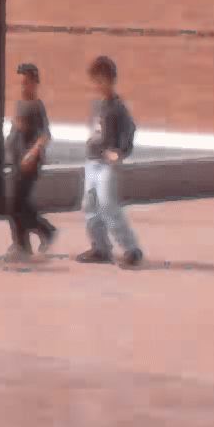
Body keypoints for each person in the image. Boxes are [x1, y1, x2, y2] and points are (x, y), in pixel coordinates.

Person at [76, 54, 143, 268]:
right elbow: (96, 130)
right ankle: (100, 247)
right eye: (95, 80)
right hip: (92, 161)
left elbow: (128, 131)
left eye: (100, 79)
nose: (97, 84)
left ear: (110, 80)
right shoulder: (97, 105)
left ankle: (131, 248)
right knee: (90, 205)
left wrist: (120, 152)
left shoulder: (118, 107)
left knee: (107, 204)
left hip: (106, 164)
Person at [3, 62, 58, 262]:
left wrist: (32, 154)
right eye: (22, 81)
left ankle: (24, 243)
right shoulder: (18, 104)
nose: (24, 85)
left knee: (15, 204)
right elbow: (15, 132)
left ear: (35, 83)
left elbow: (44, 135)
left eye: (28, 81)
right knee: (19, 204)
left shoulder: (36, 106)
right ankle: (41, 233)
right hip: (17, 161)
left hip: (30, 163)